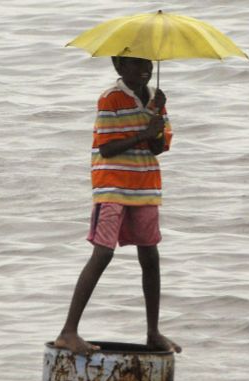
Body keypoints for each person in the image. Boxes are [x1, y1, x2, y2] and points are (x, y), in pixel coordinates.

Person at [54, 56, 182, 355]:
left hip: (145, 185)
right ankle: (68, 331)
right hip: (111, 185)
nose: (146, 70)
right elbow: (106, 148)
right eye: (137, 64)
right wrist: (142, 134)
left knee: (150, 255)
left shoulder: (155, 99)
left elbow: (158, 148)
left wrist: (158, 121)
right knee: (103, 253)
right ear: (119, 67)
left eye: (148, 64)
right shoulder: (110, 99)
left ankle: (153, 332)